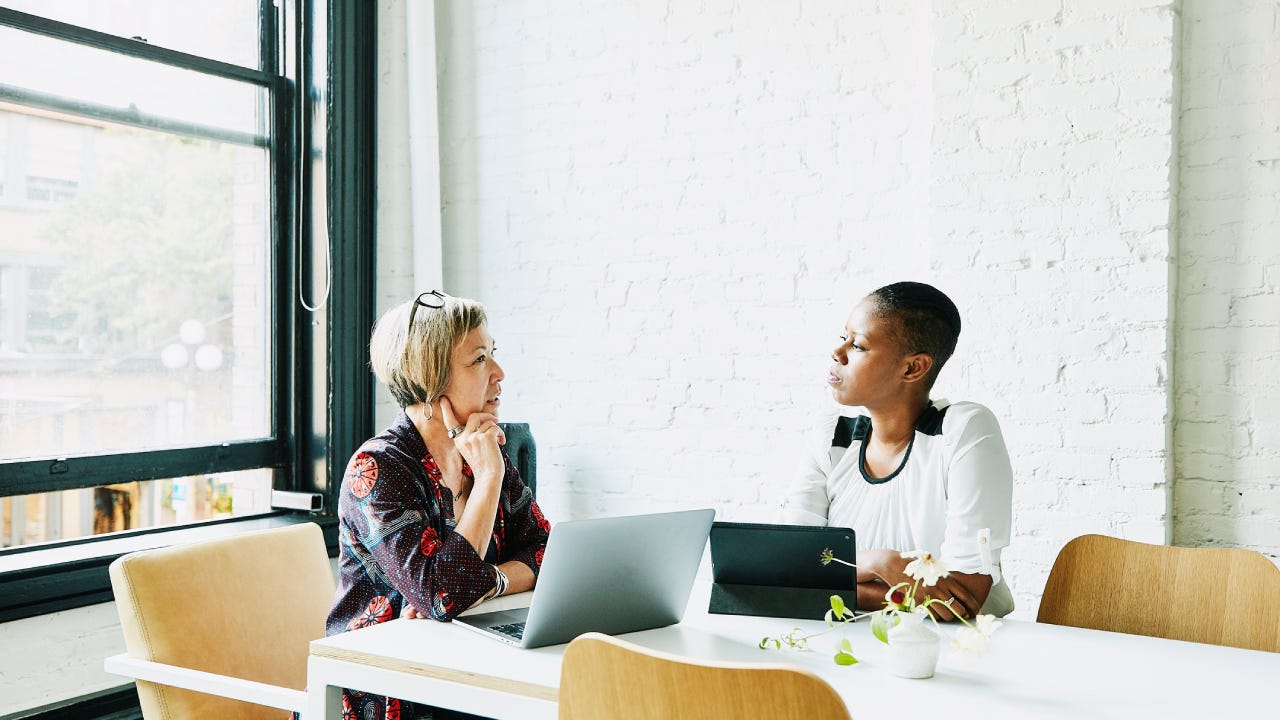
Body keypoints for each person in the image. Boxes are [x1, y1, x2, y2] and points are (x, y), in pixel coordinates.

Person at [327, 290, 551, 720]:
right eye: (479, 360)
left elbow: (549, 552)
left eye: (493, 355)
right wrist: (487, 481)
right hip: (388, 694)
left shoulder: (485, 451)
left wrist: (488, 581)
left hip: (463, 677)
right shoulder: (376, 469)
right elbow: (442, 594)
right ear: (429, 378)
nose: (499, 373)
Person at [782, 281, 1014, 619]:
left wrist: (825, 582)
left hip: (950, 656)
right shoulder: (831, 437)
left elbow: (960, 602)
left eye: (858, 345)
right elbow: (788, 567)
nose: (839, 353)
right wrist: (884, 563)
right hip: (842, 649)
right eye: (842, 337)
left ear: (912, 368)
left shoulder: (963, 431)